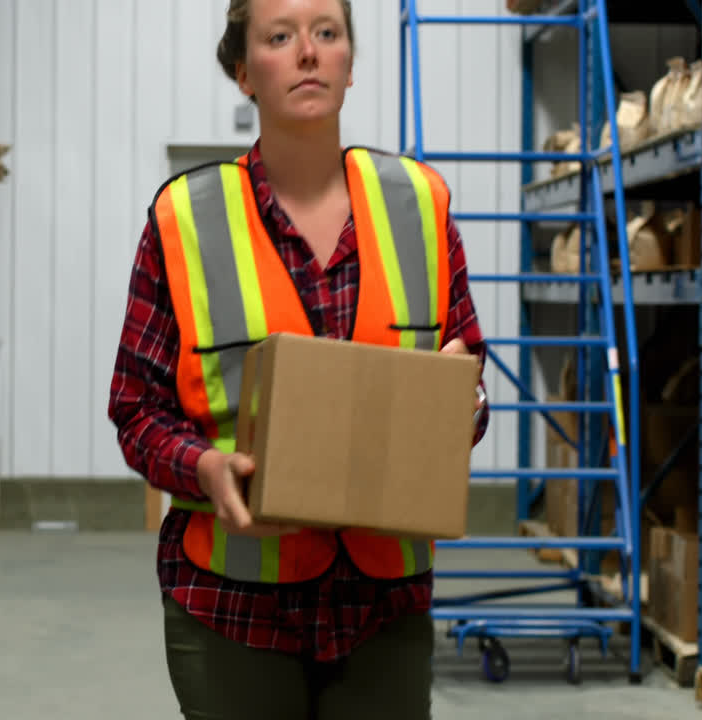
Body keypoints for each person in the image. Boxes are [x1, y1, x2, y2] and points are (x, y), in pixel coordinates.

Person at [107, 0, 490, 717]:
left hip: (385, 607)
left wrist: (461, 409)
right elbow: (135, 409)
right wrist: (204, 468)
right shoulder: (183, 220)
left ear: (349, 61)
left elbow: (467, 379)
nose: (307, 52)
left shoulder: (422, 205)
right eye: (280, 37)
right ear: (243, 71)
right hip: (233, 606)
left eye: (327, 33)